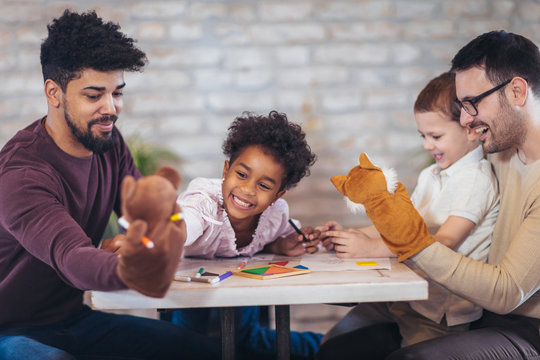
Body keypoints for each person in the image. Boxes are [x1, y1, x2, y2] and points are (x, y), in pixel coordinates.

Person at [0, 9, 219, 359]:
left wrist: (152, 234)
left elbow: (146, 216)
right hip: (8, 331)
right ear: (54, 93)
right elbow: (72, 256)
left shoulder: (108, 143)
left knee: (202, 351)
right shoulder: (23, 174)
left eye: (117, 93)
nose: (111, 108)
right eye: (93, 95)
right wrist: (137, 264)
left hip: (72, 321)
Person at [324, 30, 540, 359]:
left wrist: (410, 243)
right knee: (341, 348)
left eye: (472, 104)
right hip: (470, 310)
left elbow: (506, 292)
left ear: (517, 91)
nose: (466, 119)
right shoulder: (496, 151)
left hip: (524, 327)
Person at [316, 72, 500, 356]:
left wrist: (371, 248)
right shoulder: (431, 174)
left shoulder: (476, 179)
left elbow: (445, 241)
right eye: (423, 136)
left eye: (435, 136)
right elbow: (401, 225)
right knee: (337, 346)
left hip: (440, 311)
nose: (427, 145)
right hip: (408, 295)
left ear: (470, 129)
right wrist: (350, 235)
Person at [164, 111, 322, 360]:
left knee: (248, 340)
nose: (247, 190)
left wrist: (284, 245)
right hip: (189, 283)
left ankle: (331, 344)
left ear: (277, 195)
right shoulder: (202, 200)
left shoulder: (277, 213)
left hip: (238, 279)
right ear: (226, 169)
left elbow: (280, 236)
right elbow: (184, 223)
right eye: (242, 174)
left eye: (264, 185)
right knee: (187, 342)